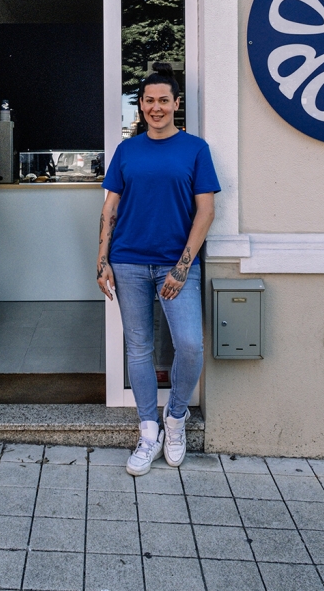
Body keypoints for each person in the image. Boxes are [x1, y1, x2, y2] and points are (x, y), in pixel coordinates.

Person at [97, 63, 220, 476]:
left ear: (176, 103)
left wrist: (182, 267)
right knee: (139, 348)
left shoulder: (195, 149)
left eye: (163, 100)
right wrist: (102, 259)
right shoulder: (127, 150)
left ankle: (176, 417)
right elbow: (111, 208)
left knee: (190, 345)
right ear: (140, 106)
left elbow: (206, 211)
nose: (156, 107)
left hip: (175, 262)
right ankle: (148, 429)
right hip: (128, 261)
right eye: (148, 101)